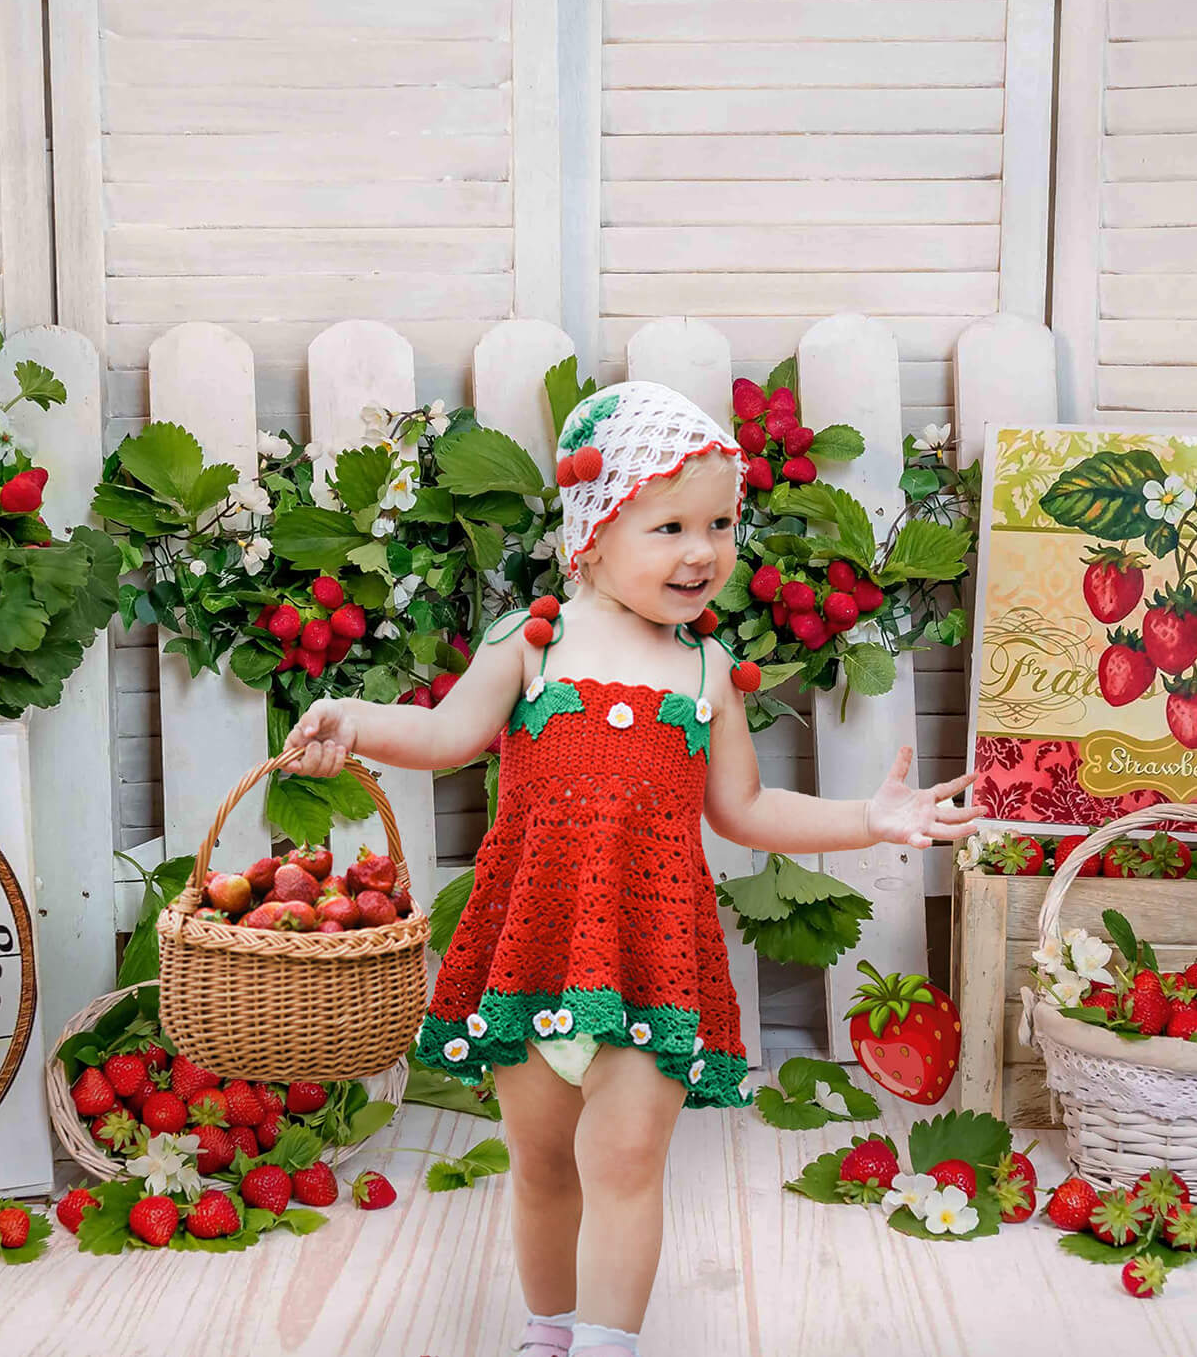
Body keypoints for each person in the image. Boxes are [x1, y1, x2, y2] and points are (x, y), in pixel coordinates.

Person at [284, 381, 979, 1357]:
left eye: (720, 524)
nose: (702, 551)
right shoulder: (531, 645)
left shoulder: (704, 672)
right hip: (535, 950)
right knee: (540, 1167)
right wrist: (353, 720)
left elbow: (747, 810)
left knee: (623, 1163)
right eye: (668, 526)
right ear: (594, 529)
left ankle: (608, 1345)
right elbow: (443, 733)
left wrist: (870, 817)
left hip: (651, 957)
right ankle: (546, 1333)